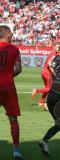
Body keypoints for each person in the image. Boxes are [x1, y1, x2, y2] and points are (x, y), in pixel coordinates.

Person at [0, 25, 23, 159]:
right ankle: (17, 151)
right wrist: (8, 74)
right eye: (11, 34)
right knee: (13, 119)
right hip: (8, 86)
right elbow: (18, 69)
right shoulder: (15, 49)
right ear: (7, 34)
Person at [32, 43, 60, 110]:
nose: (58, 49)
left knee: (47, 89)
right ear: (54, 48)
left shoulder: (55, 54)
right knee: (50, 89)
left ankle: (41, 102)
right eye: (57, 47)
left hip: (45, 72)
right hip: (47, 72)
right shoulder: (53, 54)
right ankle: (36, 90)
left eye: (58, 48)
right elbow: (49, 64)